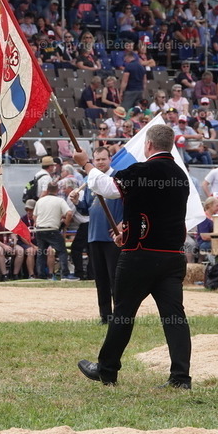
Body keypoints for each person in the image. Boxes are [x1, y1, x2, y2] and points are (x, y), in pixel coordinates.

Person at [73, 124, 192, 388]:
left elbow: (108, 188)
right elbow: (161, 215)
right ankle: (180, 377)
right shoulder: (181, 176)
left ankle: (107, 369)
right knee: (174, 317)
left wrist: (86, 165)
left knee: (123, 313)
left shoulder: (143, 170)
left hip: (140, 256)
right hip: (172, 256)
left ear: (148, 145)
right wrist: (127, 232)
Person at [72, 147, 123, 323]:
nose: (100, 162)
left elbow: (131, 204)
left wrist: (123, 223)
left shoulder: (117, 178)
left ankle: (120, 315)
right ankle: (105, 316)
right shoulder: (90, 180)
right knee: (100, 279)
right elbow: (87, 208)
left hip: (114, 237)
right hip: (94, 235)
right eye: (97, 159)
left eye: (103, 159)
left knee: (115, 278)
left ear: (110, 159)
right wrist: (77, 202)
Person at [33, 181, 72, 281]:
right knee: (62, 251)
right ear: (57, 190)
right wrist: (66, 223)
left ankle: (41, 275)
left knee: (41, 252)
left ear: (47, 190)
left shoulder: (40, 201)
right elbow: (69, 213)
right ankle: (65, 274)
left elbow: (34, 216)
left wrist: (37, 224)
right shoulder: (60, 201)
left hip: (40, 229)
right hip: (52, 229)